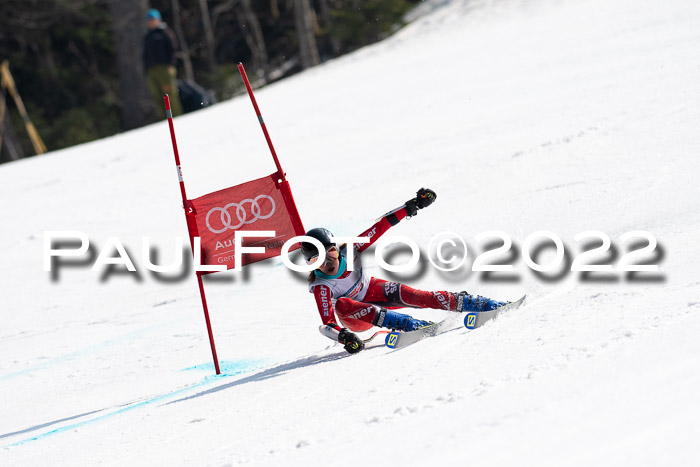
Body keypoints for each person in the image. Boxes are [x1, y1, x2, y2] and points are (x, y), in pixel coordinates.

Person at [301, 188, 507, 355]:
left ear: (337, 248)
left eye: (330, 253)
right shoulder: (322, 287)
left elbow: (381, 226)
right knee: (344, 303)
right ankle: (408, 325)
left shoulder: (352, 250)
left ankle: (473, 303)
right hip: (356, 319)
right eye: (317, 259)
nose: (328, 262)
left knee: (414, 295)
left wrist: (412, 206)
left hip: (371, 290)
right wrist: (345, 337)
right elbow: (327, 324)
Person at [143, 8, 183, 118]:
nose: (151, 22)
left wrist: (171, 64)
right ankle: (164, 118)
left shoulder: (165, 32)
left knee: (169, 94)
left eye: (153, 20)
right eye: (149, 20)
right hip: (152, 69)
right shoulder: (148, 36)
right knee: (157, 95)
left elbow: (173, 49)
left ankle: (176, 117)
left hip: (165, 68)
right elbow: (145, 54)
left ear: (158, 20)